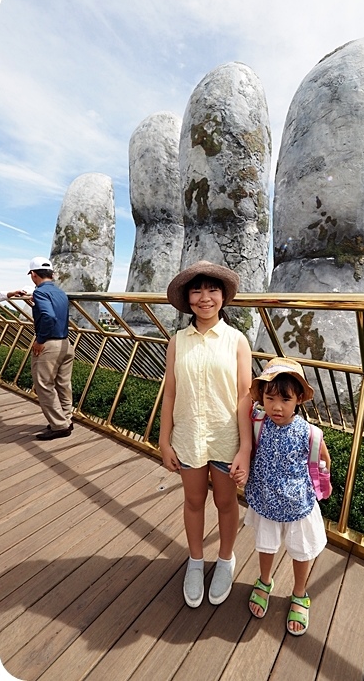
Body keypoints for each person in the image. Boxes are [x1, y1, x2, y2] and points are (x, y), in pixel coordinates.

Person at [158, 260, 252, 608]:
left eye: (212, 289)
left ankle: (226, 559)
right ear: (188, 298)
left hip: (226, 438)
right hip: (188, 436)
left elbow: (246, 395)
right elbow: (170, 391)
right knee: (194, 501)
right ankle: (196, 561)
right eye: (196, 290)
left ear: (223, 296)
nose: (204, 297)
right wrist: (164, 439)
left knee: (226, 503)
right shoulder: (177, 341)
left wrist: (245, 448)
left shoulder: (236, 341)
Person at [244, 357, 331, 636]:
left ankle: (299, 593)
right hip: (266, 501)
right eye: (269, 398)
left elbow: (323, 458)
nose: (276, 406)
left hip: (298, 506)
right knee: (266, 546)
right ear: (262, 399)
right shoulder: (259, 422)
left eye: (285, 399)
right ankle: (265, 580)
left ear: (298, 401)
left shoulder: (308, 432)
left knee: (301, 551)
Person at [28, 256, 75, 440]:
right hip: (66, 343)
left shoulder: (40, 292)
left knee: (43, 385)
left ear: (33, 275)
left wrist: (40, 340)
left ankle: (59, 426)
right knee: (63, 385)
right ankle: (66, 419)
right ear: (51, 274)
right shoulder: (60, 293)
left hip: (49, 345)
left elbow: (48, 316)